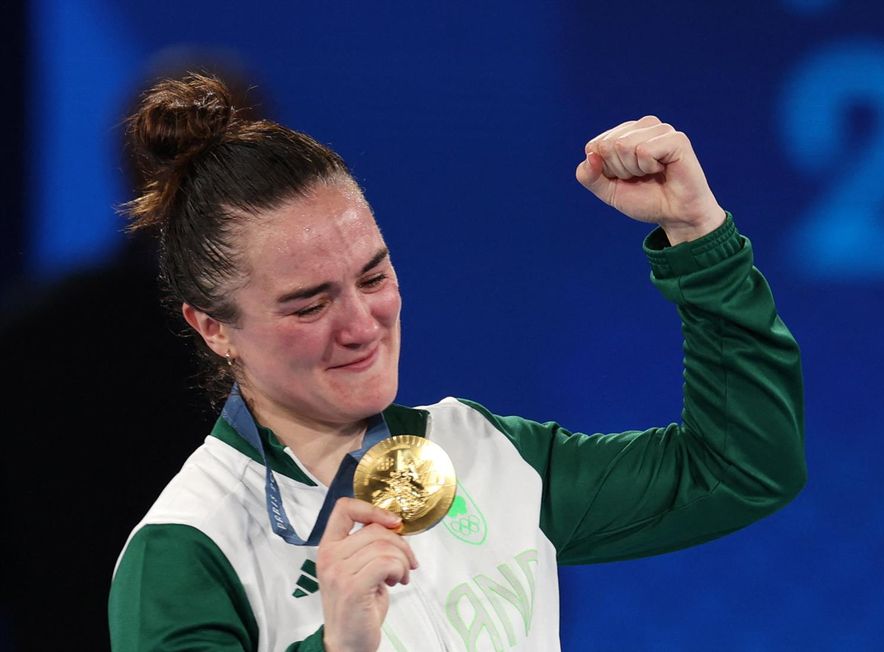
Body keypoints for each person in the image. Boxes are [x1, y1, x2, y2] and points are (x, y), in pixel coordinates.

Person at [108, 73, 806, 652]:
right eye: (309, 305)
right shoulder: (189, 549)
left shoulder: (480, 452)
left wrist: (697, 233)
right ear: (213, 328)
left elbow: (742, 469)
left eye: (374, 277)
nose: (361, 325)